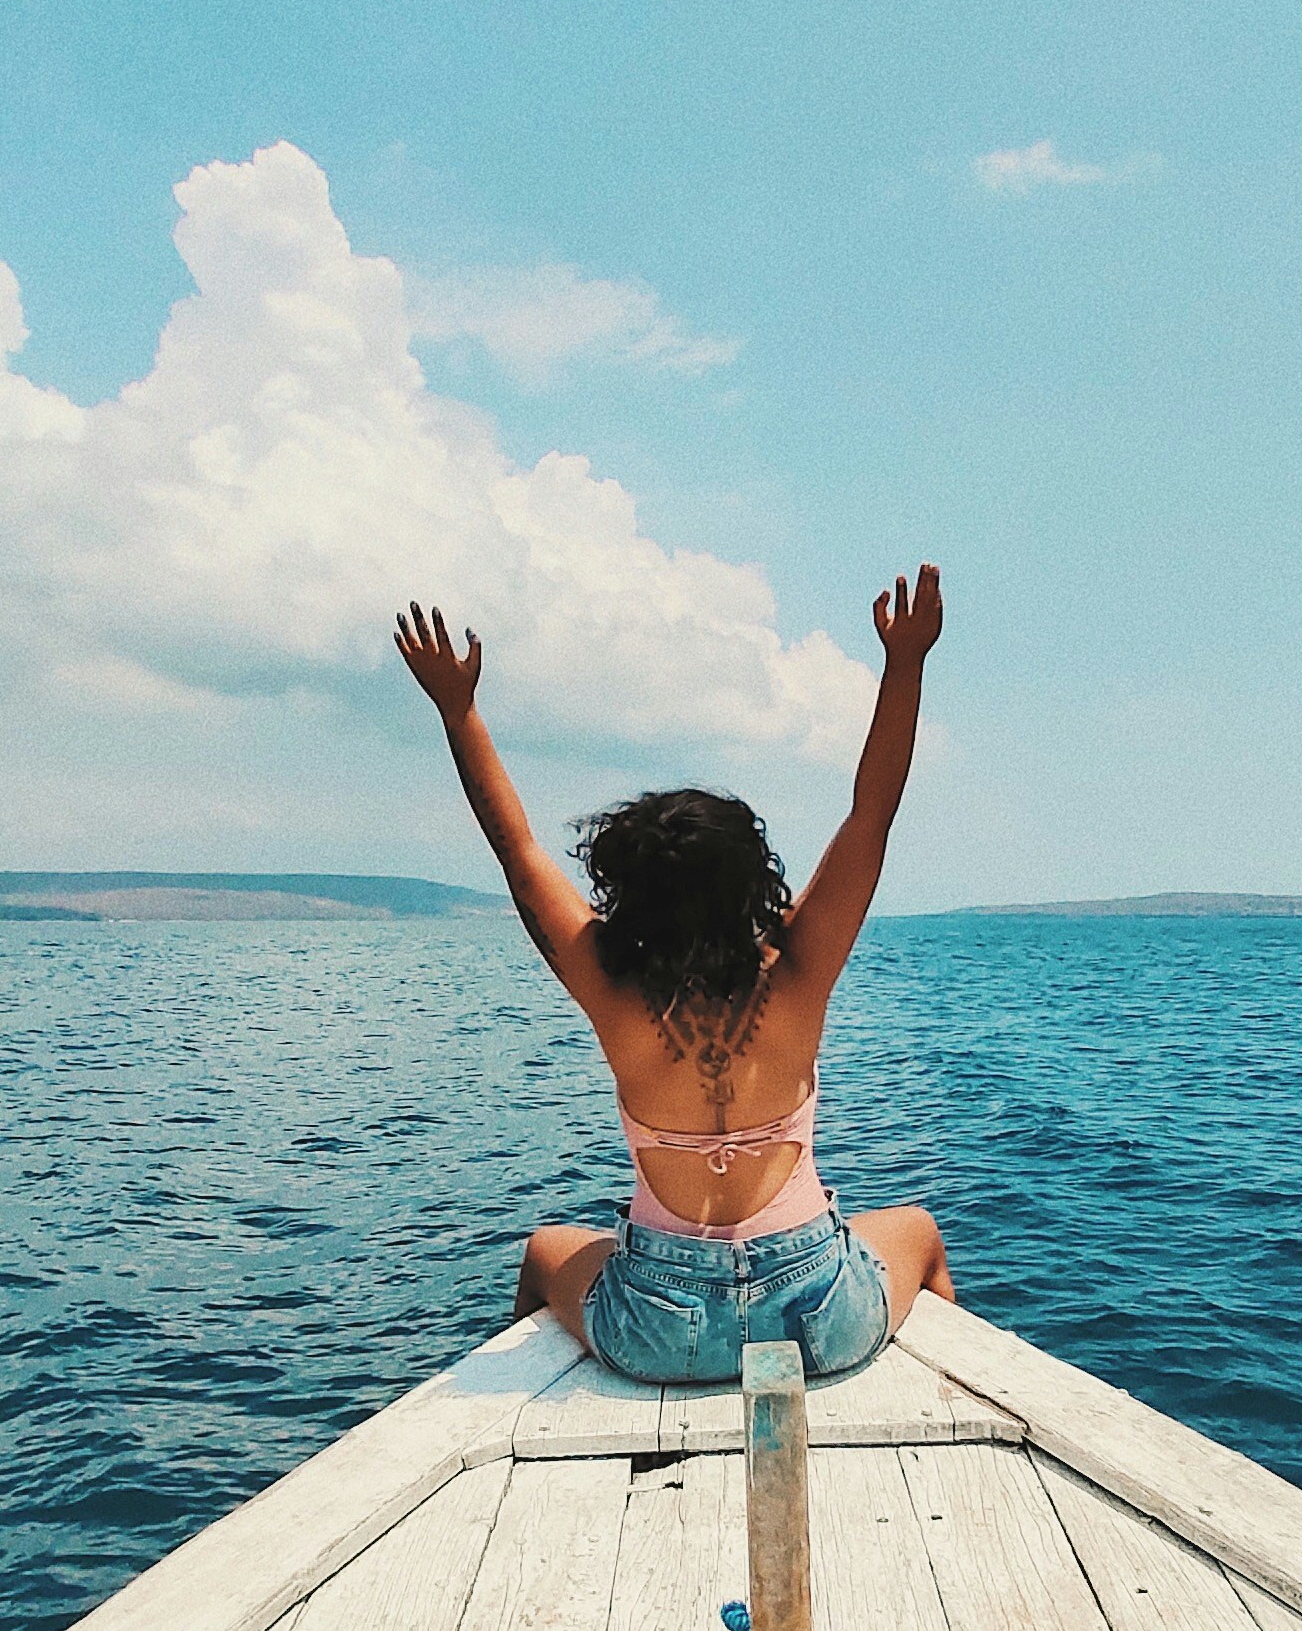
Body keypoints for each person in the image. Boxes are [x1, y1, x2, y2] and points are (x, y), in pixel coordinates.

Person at [393, 567, 956, 1383]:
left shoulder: (610, 984)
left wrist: (459, 709)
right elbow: (874, 812)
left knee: (545, 1252)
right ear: (751, 876)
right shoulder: (801, 967)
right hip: (820, 1317)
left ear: (628, 889)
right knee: (922, 1232)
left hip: (660, 1329)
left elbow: (515, 850)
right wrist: (905, 664)